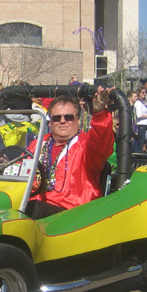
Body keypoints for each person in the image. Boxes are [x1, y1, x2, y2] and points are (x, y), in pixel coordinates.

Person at [25, 88, 115, 218]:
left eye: (68, 117)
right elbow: (20, 172)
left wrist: (100, 113)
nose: (62, 121)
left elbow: (101, 142)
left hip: (73, 212)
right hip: (34, 205)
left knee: (31, 209)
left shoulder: (85, 145)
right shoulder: (38, 144)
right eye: (56, 118)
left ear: (78, 120)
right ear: (50, 122)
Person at [132, 89, 147, 153]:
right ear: (139, 93)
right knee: (141, 141)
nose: (144, 94)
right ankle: (139, 153)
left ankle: (143, 151)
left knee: (144, 140)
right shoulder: (138, 103)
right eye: (142, 92)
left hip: (146, 124)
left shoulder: (143, 103)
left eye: (145, 92)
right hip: (141, 124)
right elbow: (139, 115)